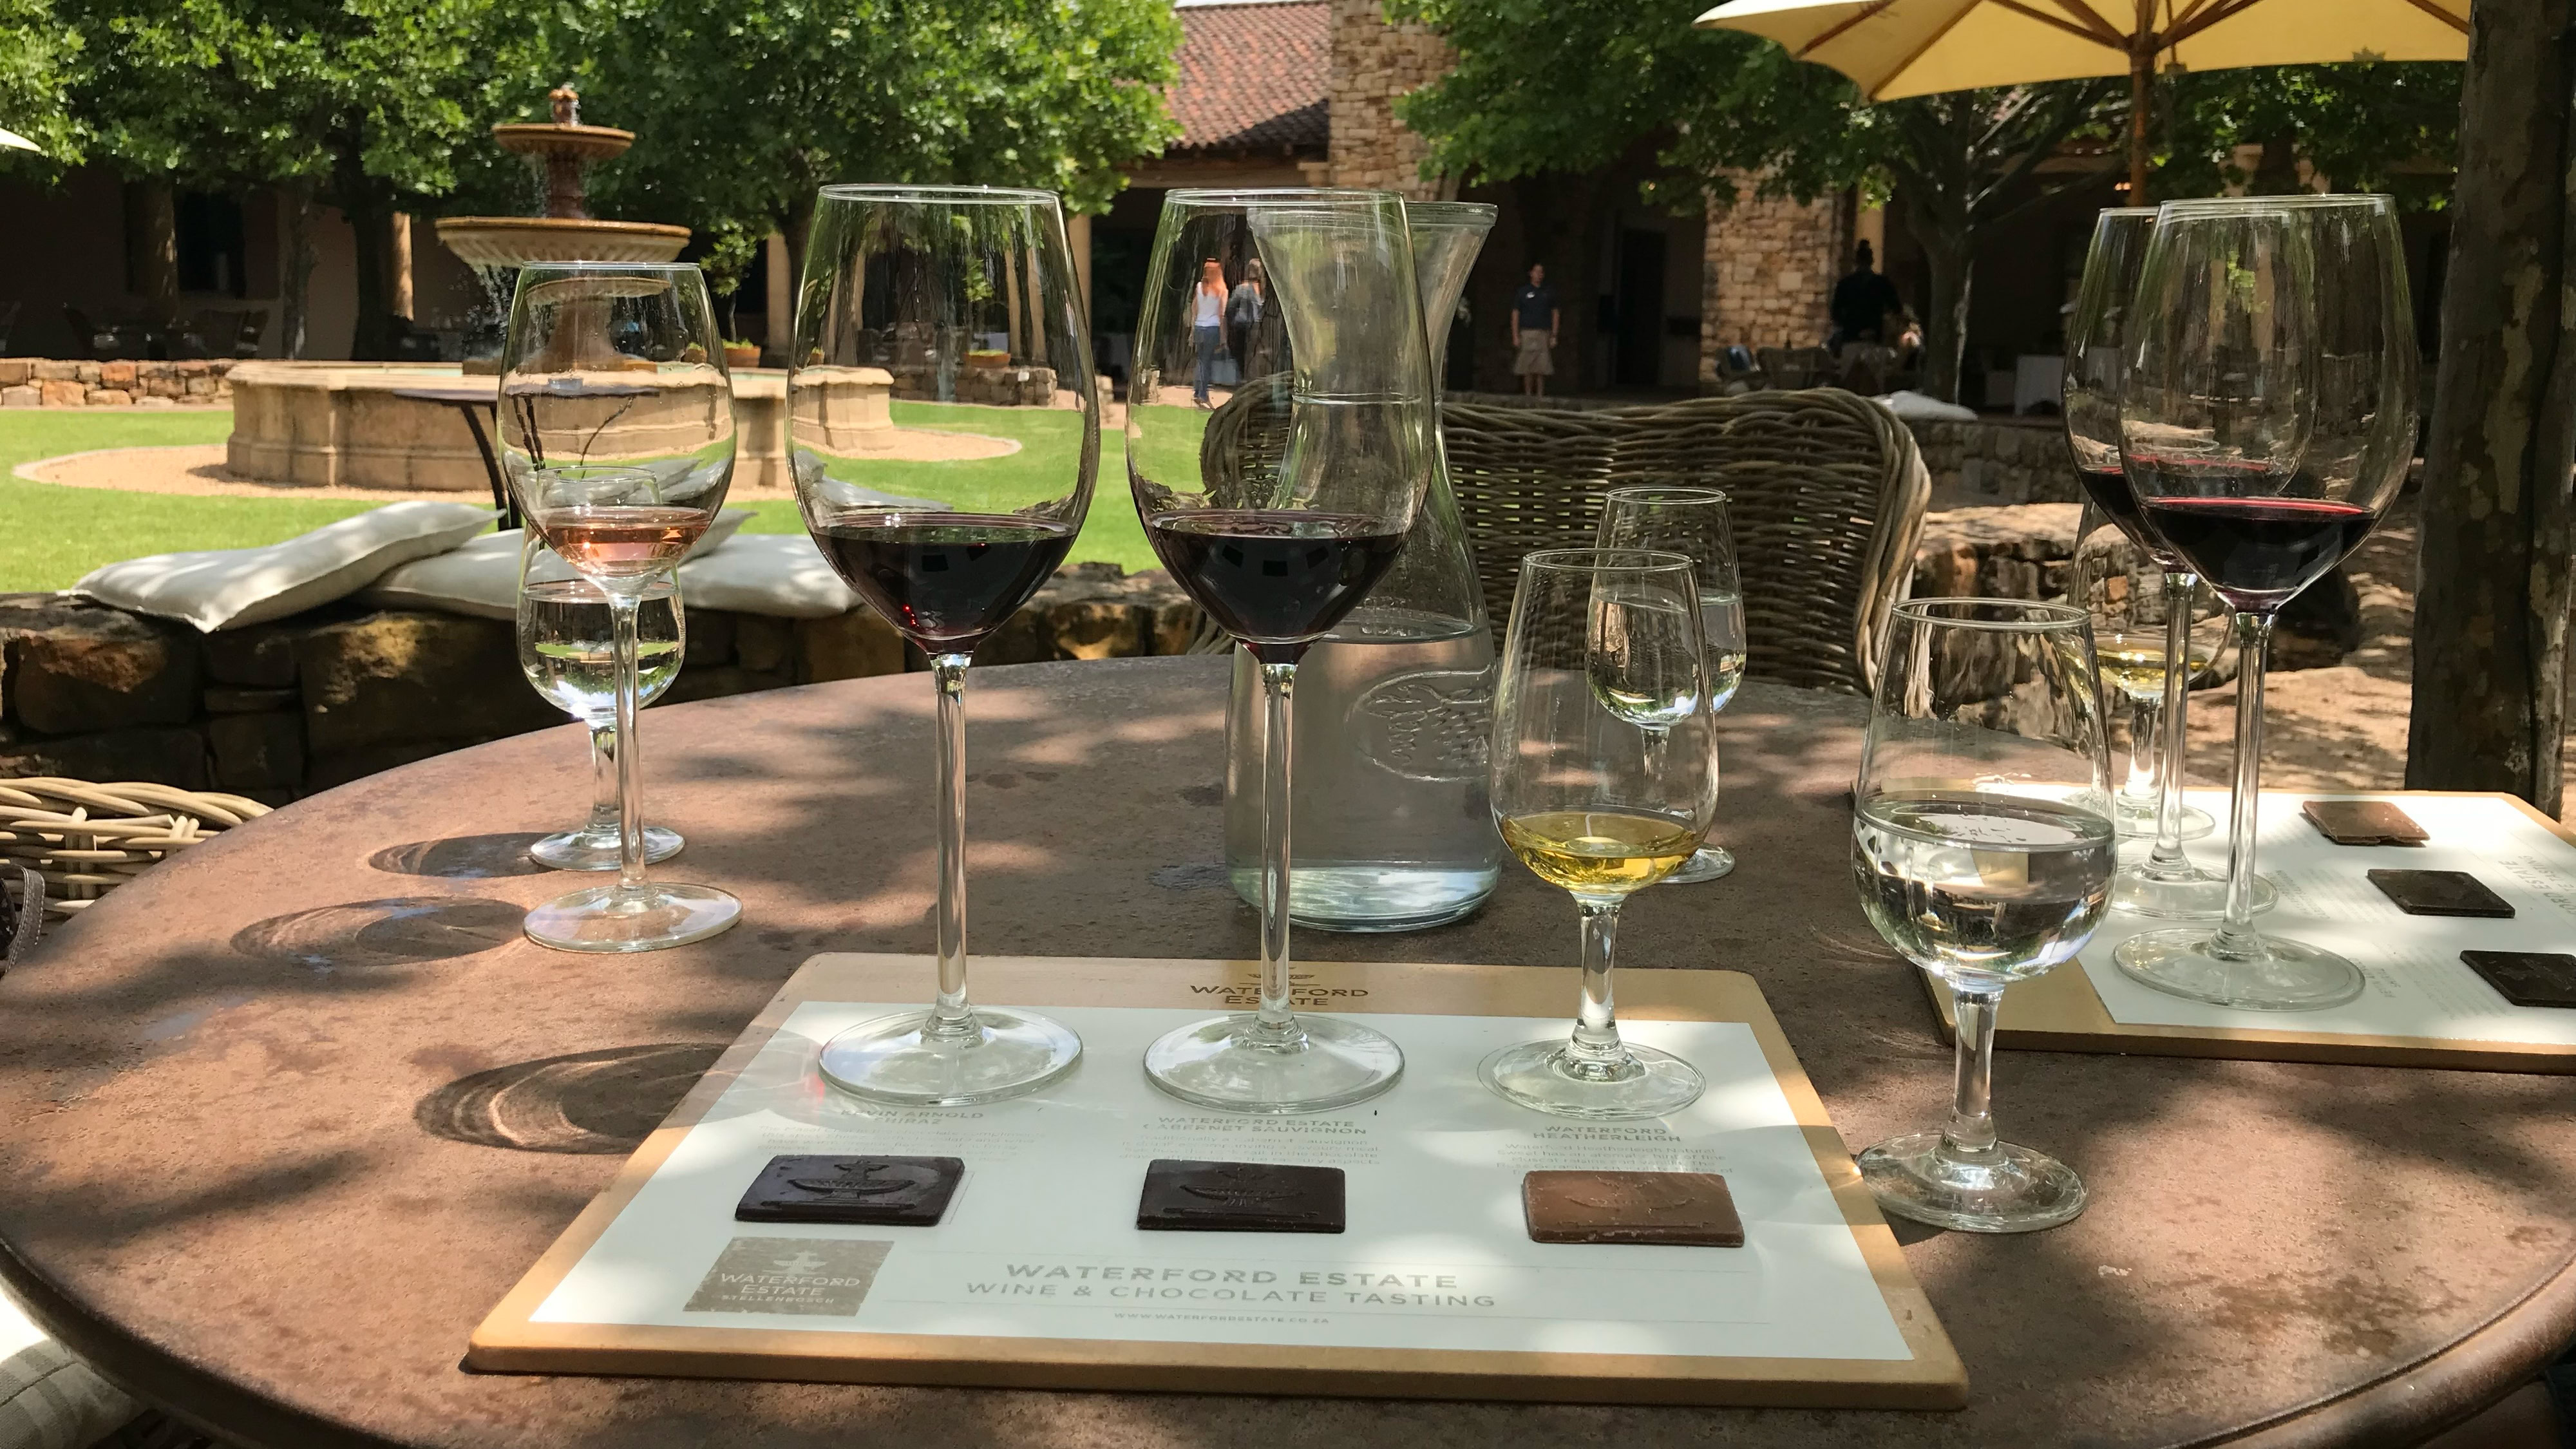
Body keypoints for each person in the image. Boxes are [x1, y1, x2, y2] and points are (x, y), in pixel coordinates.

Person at [1830, 241, 1904, 348]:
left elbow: (1835, 313)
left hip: (1851, 337)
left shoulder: (1845, 284)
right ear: (1872, 261)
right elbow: (1896, 308)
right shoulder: (1882, 283)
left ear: (1856, 261)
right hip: (1874, 336)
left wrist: (1847, 325)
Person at [1510, 263, 1558, 397]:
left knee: (1542, 365)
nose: (1539, 275)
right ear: (1531, 273)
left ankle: (1540, 394)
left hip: (1543, 332)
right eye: (1536, 272)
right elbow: (1515, 314)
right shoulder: (1523, 292)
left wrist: (1554, 334)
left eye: (1541, 272)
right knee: (1527, 365)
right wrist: (1515, 335)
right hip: (1527, 332)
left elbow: (1555, 313)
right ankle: (1528, 394)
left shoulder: (1548, 292)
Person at [1191, 258, 1226, 407]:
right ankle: (1203, 394)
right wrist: (1223, 336)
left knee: (1200, 361)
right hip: (1212, 328)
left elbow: (1194, 308)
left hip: (1199, 326)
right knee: (1207, 362)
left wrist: (1193, 328)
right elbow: (1221, 314)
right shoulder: (1221, 290)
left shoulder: (1199, 287)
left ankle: (1197, 392)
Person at [1225, 258, 1265, 381]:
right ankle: (1252, 378)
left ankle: (1242, 377)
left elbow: (1230, 306)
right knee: (1253, 352)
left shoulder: (1242, 288)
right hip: (1258, 326)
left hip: (1241, 324)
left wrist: (1232, 321)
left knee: (1239, 352)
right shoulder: (1264, 291)